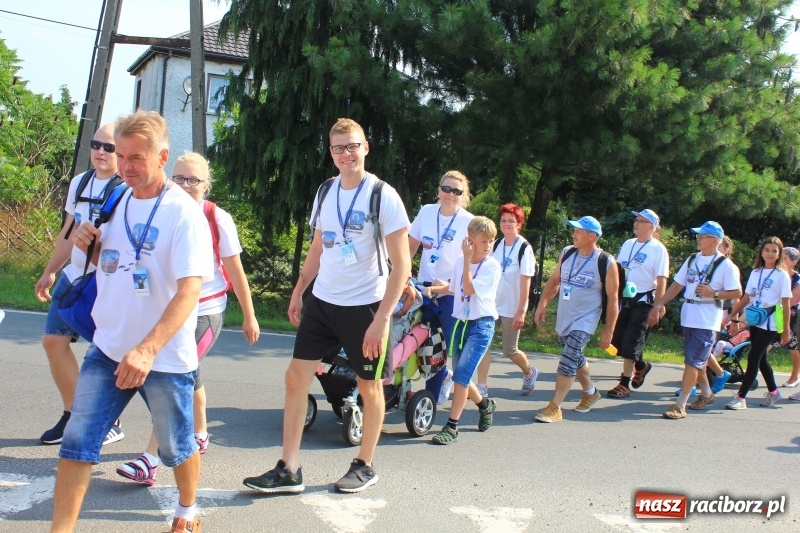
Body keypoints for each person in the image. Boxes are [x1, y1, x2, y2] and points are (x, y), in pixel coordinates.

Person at [51, 111, 213, 533]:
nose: (125, 165)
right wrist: (90, 249)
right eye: (120, 155)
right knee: (77, 444)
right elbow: (114, 265)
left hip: (162, 357)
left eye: (136, 157)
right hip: (108, 347)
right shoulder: (116, 200)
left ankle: (186, 510)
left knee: (178, 446)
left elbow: (188, 291)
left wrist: (147, 349)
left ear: (162, 156)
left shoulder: (183, 213)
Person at [242, 118, 410, 494]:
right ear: (330, 152)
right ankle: (289, 468)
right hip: (322, 302)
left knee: (369, 387)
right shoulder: (325, 191)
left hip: (365, 306)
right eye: (338, 148)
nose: (346, 154)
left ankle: (365, 465)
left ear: (366, 147)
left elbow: (402, 266)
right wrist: (300, 288)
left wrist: (381, 319)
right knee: (294, 378)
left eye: (352, 146)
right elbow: (318, 246)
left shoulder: (383, 195)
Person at [116, 151, 260, 486]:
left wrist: (250, 316)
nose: (184, 185)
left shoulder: (216, 218)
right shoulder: (163, 212)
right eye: (179, 178)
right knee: (190, 375)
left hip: (206, 313)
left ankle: (150, 459)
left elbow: (236, 271)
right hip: (172, 311)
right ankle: (200, 433)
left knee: (171, 376)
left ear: (205, 185)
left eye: (193, 180)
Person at [34, 123, 124, 446]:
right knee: (52, 341)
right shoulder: (79, 182)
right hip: (74, 275)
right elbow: (68, 232)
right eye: (96, 145)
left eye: (109, 147)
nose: (100, 152)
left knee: (105, 353)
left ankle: (108, 421)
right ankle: (73, 413)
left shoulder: (124, 189)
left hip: (104, 281)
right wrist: (50, 271)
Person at [647, 221, 742, 419]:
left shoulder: (726, 265)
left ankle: (680, 405)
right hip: (689, 314)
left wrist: (714, 293)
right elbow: (677, 285)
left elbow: (737, 292)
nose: (698, 238)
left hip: (707, 318)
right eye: (698, 235)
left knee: (692, 362)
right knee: (696, 359)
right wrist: (659, 304)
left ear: (714, 240)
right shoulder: (692, 259)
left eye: (702, 236)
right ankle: (706, 394)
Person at [533, 216, 619, 422]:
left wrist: (609, 331)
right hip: (565, 317)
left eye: (578, 231)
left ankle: (555, 406)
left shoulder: (606, 262)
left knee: (568, 358)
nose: (574, 234)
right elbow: (555, 281)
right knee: (574, 356)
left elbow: (613, 299)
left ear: (592, 236)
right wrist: (542, 304)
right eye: (574, 230)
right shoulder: (567, 253)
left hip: (586, 319)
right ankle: (590, 392)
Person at [424, 217, 501, 444]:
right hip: (462, 323)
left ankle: (452, 426)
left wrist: (467, 260)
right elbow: (455, 289)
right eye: (483, 241)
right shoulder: (460, 263)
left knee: (461, 376)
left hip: (481, 325)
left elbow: (469, 288)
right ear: (470, 240)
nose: (488, 245)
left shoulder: (491, 266)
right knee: (462, 376)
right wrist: (432, 289)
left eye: (491, 241)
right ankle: (485, 405)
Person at [408, 170, 474, 402]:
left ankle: (430, 399)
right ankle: (403, 390)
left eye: (457, 191)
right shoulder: (426, 212)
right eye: (446, 189)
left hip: (449, 293)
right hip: (421, 289)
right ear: (438, 190)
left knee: (439, 347)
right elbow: (410, 246)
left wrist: (450, 284)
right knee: (409, 340)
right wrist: (402, 274)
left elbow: (474, 262)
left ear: (463, 196)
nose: (450, 194)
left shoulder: (468, 221)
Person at [475, 204, 538, 396]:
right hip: (492, 304)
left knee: (509, 351)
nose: (506, 224)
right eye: (503, 220)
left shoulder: (524, 248)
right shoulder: (496, 245)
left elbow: (525, 282)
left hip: (512, 306)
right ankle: (482, 385)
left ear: (519, 224)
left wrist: (522, 311)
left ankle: (529, 372)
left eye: (511, 220)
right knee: (483, 344)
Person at [722, 237, 791, 410]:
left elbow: (786, 304)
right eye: (767, 250)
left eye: (774, 251)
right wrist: (733, 316)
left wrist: (786, 330)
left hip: (771, 323)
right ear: (761, 251)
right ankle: (774, 393)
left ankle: (741, 398)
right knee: (761, 359)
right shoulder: (756, 272)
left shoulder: (782, 275)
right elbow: (746, 297)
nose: (770, 254)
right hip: (755, 320)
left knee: (753, 357)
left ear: (779, 254)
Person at [606, 209, 669, 399]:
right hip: (625, 298)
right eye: (636, 220)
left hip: (644, 300)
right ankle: (641, 366)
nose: (636, 223)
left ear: (652, 226)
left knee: (632, 340)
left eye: (642, 221)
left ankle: (624, 383)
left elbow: (662, 279)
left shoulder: (658, 249)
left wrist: (658, 306)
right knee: (617, 340)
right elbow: (617, 269)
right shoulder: (628, 244)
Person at [772, 246, 800, 388]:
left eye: (785, 258)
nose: (781, 261)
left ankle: (795, 376)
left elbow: (793, 300)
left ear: (794, 262)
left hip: (792, 317)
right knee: (765, 344)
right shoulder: (776, 274)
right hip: (774, 314)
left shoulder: (798, 280)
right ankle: (753, 373)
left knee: (794, 347)